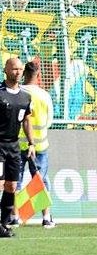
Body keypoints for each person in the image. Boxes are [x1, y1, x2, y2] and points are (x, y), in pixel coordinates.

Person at [14, 61, 54, 228]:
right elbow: (49, 121)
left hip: (17, 145)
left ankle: (14, 216)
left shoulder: (18, 93)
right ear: (39, 75)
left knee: (15, 180)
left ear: (24, 75)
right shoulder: (44, 96)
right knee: (41, 180)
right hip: (40, 146)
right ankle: (46, 218)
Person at [0, 57, 35, 237]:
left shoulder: (25, 97)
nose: (18, 72)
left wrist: (31, 143)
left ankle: (3, 225)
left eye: (20, 69)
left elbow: (27, 121)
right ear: (6, 70)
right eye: (14, 69)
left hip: (13, 146)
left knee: (11, 186)